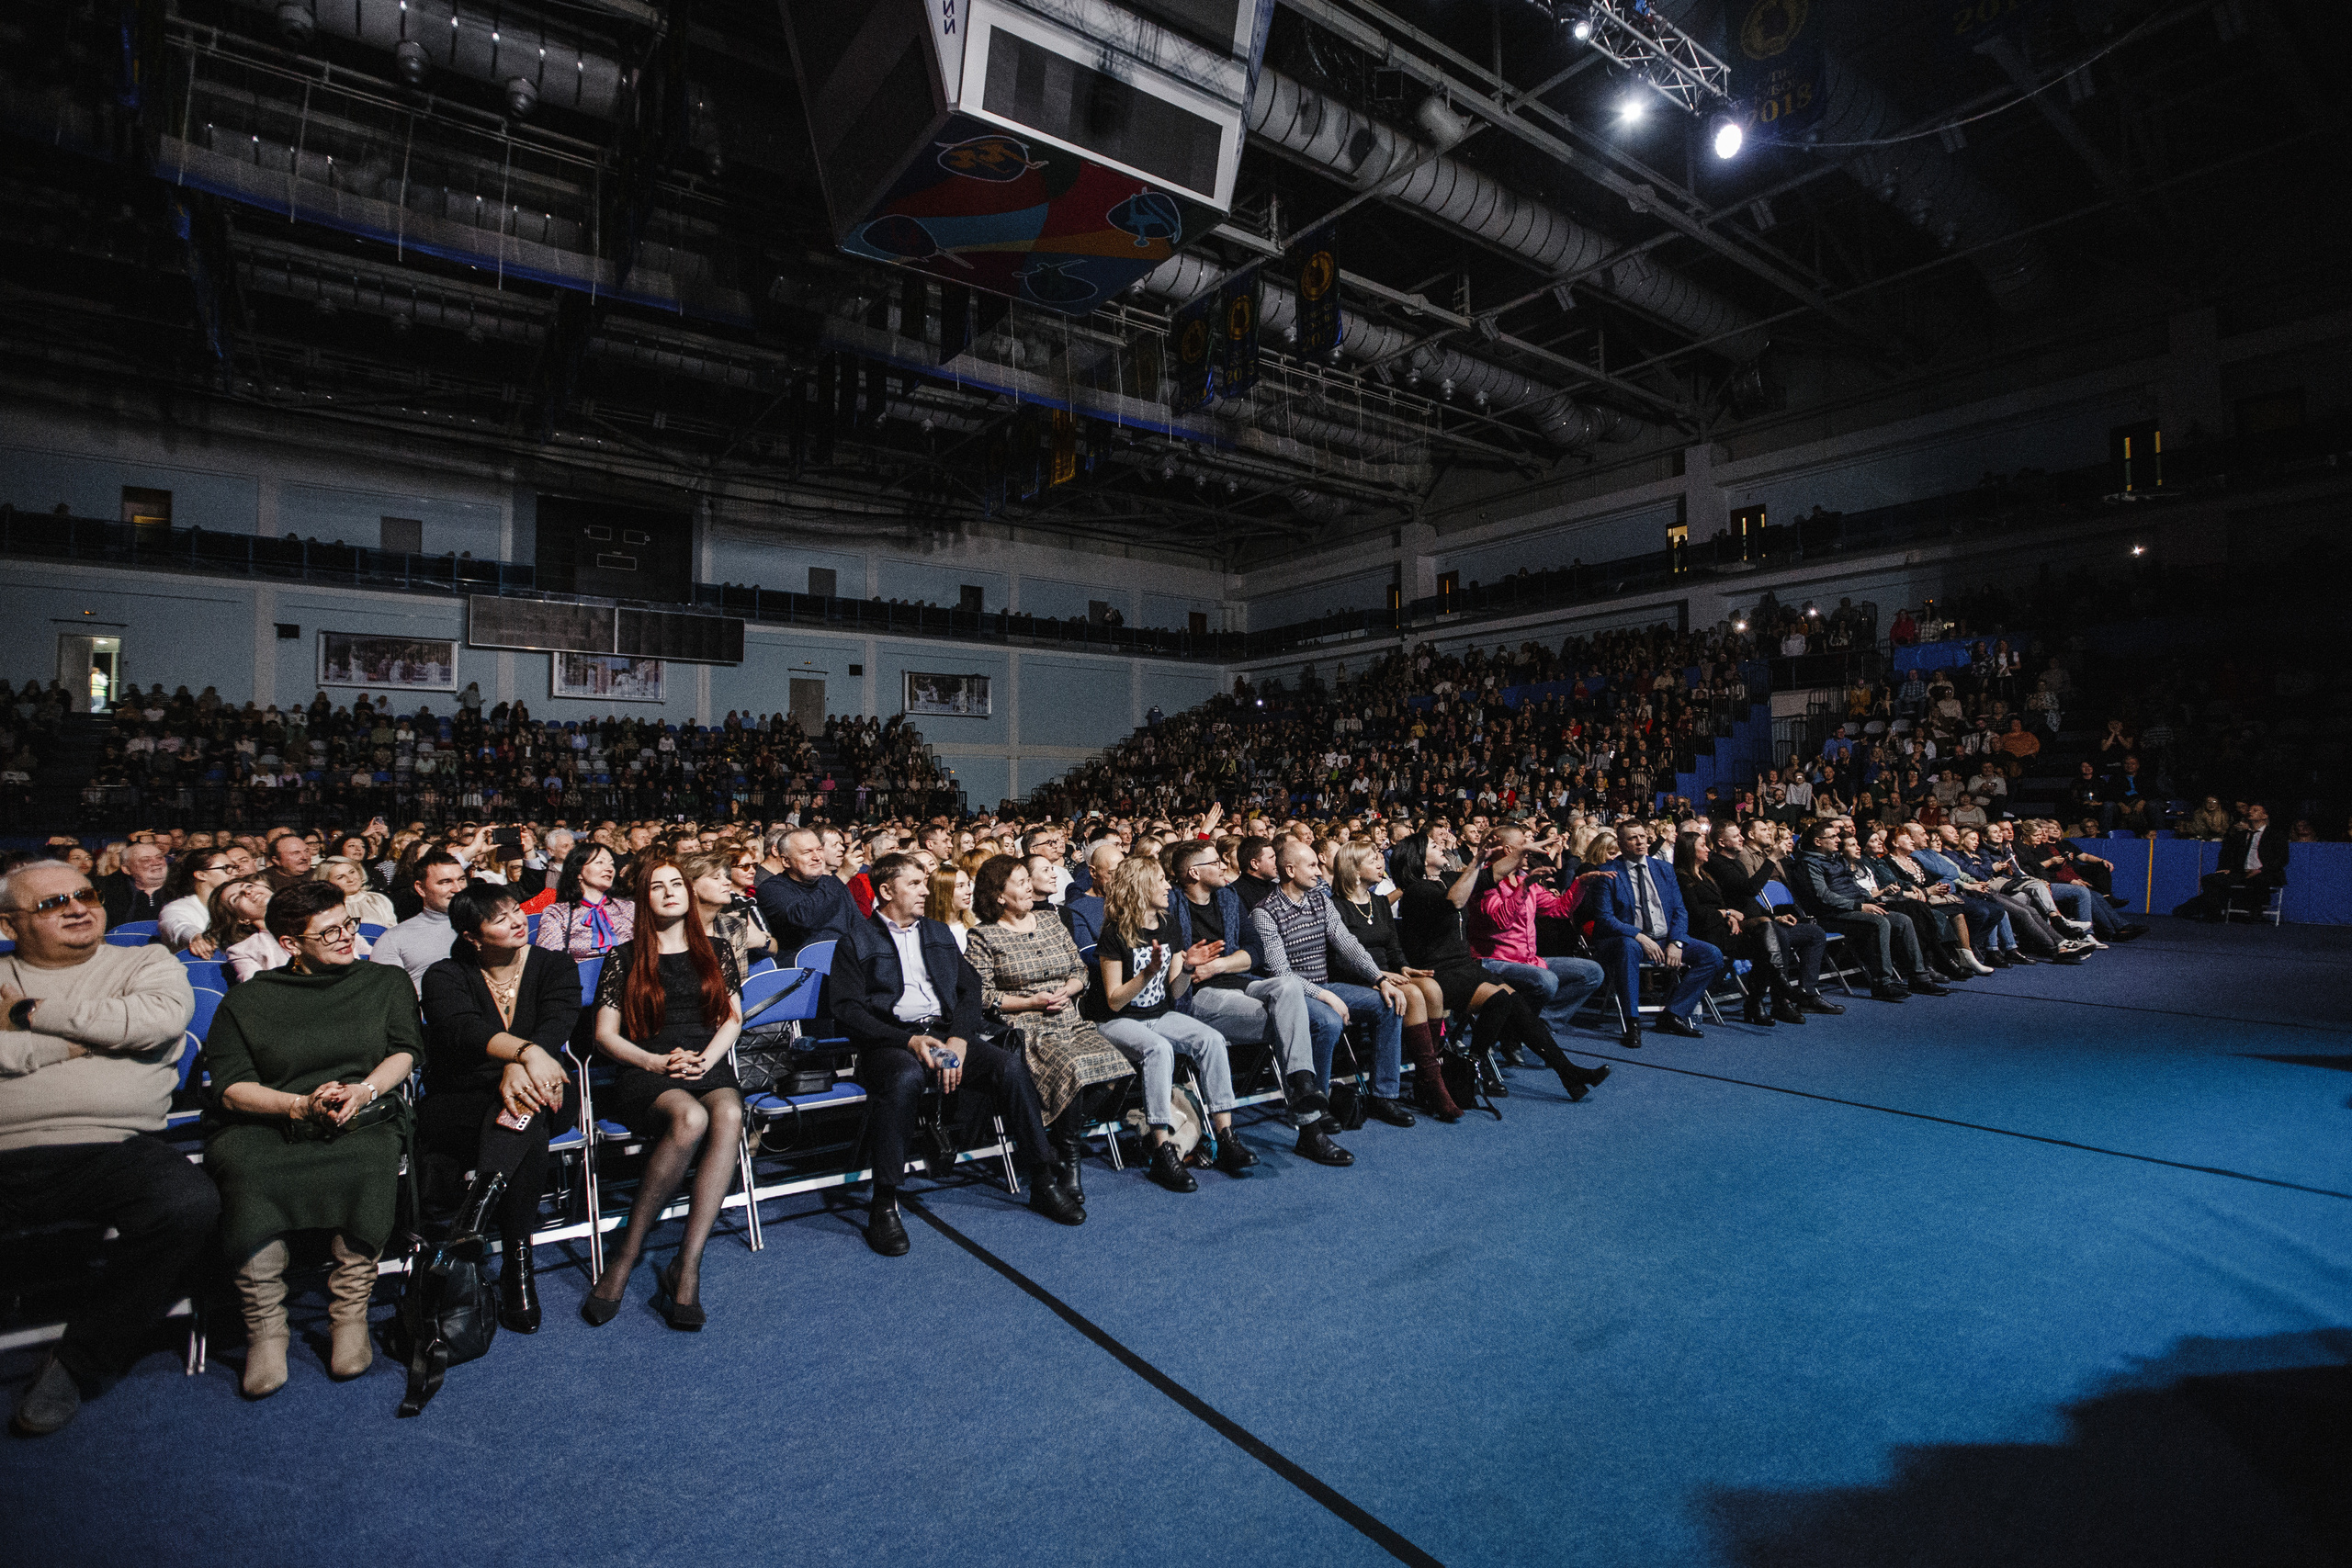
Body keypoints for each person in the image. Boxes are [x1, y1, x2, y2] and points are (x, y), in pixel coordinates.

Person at [0, 860, 208, 1436]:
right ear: (10, 924)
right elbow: (121, 1029)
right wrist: (83, 1043)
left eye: (84, 893)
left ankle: (77, 1362)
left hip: (112, 1146)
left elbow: (153, 1023)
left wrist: (25, 1016)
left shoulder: (145, 960)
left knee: (189, 1207)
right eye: (50, 903)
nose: (75, 907)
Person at [204, 881, 420, 1397]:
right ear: (290, 944)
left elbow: (406, 1051)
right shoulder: (250, 1000)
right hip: (273, 1118)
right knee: (245, 1167)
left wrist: (363, 1091)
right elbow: (231, 1088)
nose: (348, 937)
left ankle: (349, 1316)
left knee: (369, 1158)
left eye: (348, 924)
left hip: (361, 1111)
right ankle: (266, 1329)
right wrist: (298, 1105)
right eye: (329, 933)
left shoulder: (384, 982)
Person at [831, 853, 1085, 1256]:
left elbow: (969, 994)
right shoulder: (856, 940)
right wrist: (909, 1042)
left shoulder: (937, 933)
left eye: (924, 883)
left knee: (1007, 1066)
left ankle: (1042, 1179)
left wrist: (961, 1040)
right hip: (890, 1042)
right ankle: (883, 1204)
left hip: (945, 1035)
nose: (926, 891)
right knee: (905, 1079)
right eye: (915, 884)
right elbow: (847, 1011)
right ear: (885, 891)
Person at [580, 859, 746, 1329]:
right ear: (643, 900)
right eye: (658, 886)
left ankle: (686, 1266)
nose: (670, 892)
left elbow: (733, 1019)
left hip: (704, 1063)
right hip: (647, 1069)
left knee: (730, 1113)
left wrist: (705, 1061)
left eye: (677, 884)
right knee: (690, 1119)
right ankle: (625, 1256)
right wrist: (655, 1062)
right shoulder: (624, 956)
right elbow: (606, 1037)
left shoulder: (715, 950)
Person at [417, 884, 582, 1334]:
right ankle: (517, 1261)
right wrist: (521, 1056)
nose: (516, 921)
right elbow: (460, 1030)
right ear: (472, 936)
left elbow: (558, 1020)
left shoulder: (553, 964)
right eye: (500, 918)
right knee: (526, 1124)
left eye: (516, 911)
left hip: (546, 1086)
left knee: (524, 1107)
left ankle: (476, 1216)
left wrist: (524, 1062)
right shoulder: (444, 974)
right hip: (463, 1097)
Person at [962, 855, 1136, 1204]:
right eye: (1021, 881)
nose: (1029, 887)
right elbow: (982, 995)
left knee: (1117, 1068)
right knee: (1073, 1068)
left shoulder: (1051, 922)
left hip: (1069, 1017)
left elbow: (1080, 970)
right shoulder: (983, 935)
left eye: (1029, 880)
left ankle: (1057, 1140)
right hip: (1025, 1026)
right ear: (999, 895)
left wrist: (1069, 988)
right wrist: (1032, 1002)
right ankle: (1070, 1159)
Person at [1093, 856, 1252, 1192]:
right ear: (1140, 887)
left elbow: (1175, 989)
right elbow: (1114, 1000)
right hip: (1117, 1022)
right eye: (1161, 881)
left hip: (1159, 1015)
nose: (1169, 887)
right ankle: (1162, 1149)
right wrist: (1146, 974)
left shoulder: (1168, 925)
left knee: (1210, 1039)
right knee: (1159, 1049)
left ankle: (1225, 1135)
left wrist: (1189, 968)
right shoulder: (1114, 932)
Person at [1159, 839, 1332, 1131]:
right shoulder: (1171, 906)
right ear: (1194, 873)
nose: (1224, 865)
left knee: (1288, 987)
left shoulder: (1228, 898)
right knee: (1289, 1019)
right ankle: (1309, 1124)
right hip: (1200, 994)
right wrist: (1204, 965)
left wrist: (1217, 965)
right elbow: (1179, 978)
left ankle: (1302, 1083)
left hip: (1239, 981)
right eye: (1215, 863)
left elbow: (1255, 950)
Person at [1250, 840, 1405, 1156]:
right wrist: (1325, 996)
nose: (1320, 871)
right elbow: (1282, 974)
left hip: (1324, 986)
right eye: (1312, 865)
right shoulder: (1265, 913)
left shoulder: (1320, 901)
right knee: (1329, 1022)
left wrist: (1379, 978)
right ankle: (1314, 1106)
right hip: (1293, 995)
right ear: (1290, 870)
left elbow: (1347, 944)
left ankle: (1383, 1096)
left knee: (1389, 1004)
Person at [1582, 821, 1727, 1046]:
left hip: (1664, 938)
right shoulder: (1607, 872)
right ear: (1620, 843)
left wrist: (1677, 942)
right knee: (1628, 947)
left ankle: (1673, 1014)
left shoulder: (1664, 869)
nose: (1640, 841)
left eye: (1642, 836)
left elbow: (1680, 910)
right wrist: (1639, 936)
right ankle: (1632, 1022)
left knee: (1711, 955)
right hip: (1626, 940)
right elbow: (1605, 918)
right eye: (1632, 838)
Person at [1463, 825, 1607, 1044]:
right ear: (1509, 850)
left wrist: (1580, 885)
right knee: (1546, 981)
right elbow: (1500, 922)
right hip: (1492, 961)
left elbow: (1559, 909)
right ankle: (1522, 1029)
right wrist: (1525, 887)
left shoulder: (1523, 878)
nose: (1530, 850)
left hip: (1528, 960)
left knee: (1592, 972)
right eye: (1525, 845)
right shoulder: (1484, 882)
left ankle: (1534, 1027)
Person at [1792, 821, 1940, 1000]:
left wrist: (1869, 900)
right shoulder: (1808, 863)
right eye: (1833, 837)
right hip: (1830, 914)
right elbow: (1823, 896)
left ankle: (1919, 977)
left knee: (1902, 920)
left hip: (1855, 907)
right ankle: (1882, 983)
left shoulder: (1836, 859)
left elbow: (1853, 886)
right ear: (1818, 841)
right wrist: (1860, 906)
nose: (1838, 840)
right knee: (1879, 922)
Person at [370, 850, 469, 991]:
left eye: (462, 879)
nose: (458, 889)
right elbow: (387, 997)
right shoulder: (393, 939)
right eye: (445, 882)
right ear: (421, 888)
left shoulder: (489, 924)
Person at [2175, 802, 2290, 921]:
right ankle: (2214, 914)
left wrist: (2259, 870)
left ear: (2264, 816)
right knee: (2209, 879)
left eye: (2255, 810)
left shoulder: (2276, 835)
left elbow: (2282, 859)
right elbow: (2230, 854)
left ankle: (2255, 913)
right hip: (2242, 872)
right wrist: (2228, 867)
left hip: (2265, 872)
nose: (2250, 812)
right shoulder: (2241, 835)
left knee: (2259, 880)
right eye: (2250, 810)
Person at [753, 827, 857, 959]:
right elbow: (802, 918)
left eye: (819, 850)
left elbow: (859, 926)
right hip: (802, 970)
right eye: (807, 852)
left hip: (843, 963)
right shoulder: (771, 889)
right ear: (786, 861)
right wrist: (842, 876)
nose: (817, 857)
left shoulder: (832, 884)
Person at [533, 842, 634, 961]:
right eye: (599, 862)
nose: (609, 869)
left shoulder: (628, 908)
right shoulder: (558, 913)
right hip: (579, 976)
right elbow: (551, 961)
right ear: (579, 872)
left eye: (611, 864)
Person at [684, 850, 773, 975]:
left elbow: (739, 980)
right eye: (716, 877)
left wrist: (763, 940)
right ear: (691, 886)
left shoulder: (733, 926)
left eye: (726, 876)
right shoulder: (676, 930)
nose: (727, 882)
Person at [154, 847, 236, 955]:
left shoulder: (237, 905)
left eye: (235, 867)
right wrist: (195, 936)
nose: (234, 872)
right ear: (201, 875)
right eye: (226, 868)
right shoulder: (177, 908)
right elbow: (178, 926)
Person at [96, 840, 169, 928]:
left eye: (159, 858)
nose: (156, 863)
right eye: (146, 860)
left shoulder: (182, 890)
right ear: (127, 869)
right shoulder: (106, 892)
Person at [316, 856, 397, 930]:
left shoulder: (378, 899)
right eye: (340, 877)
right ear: (327, 882)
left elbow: (393, 930)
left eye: (352, 872)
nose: (350, 879)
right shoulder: (325, 907)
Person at [930, 863, 978, 953]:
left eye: (968, 884)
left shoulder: (976, 925)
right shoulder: (927, 930)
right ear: (943, 892)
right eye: (960, 886)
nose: (969, 891)